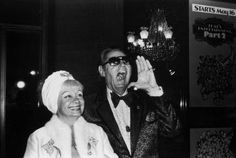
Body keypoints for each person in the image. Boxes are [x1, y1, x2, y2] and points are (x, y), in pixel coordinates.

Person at [84, 48, 181, 158]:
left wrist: (153, 89)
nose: (122, 65)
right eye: (114, 62)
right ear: (102, 71)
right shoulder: (88, 107)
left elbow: (173, 130)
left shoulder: (148, 101)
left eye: (125, 61)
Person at [23, 70, 118, 158]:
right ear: (54, 102)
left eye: (79, 94)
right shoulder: (38, 138)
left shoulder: (96, 132)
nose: (76, 100)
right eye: (68, 96)